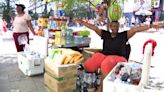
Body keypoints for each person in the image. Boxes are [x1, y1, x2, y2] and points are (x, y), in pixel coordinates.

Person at [74, 18, 159, 92]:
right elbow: (94, 28)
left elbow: (135, 30)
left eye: (116, 26)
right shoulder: (105, 34)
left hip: (119, 58)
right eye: (113, 26)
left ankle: (101, 89)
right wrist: (82, 22)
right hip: (106, 56)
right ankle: (88, 82)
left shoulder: (123, 35)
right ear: (110, 27)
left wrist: (150, 26)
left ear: (118, 27)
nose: (114, 28)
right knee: (95, 59)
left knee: (106, 63)